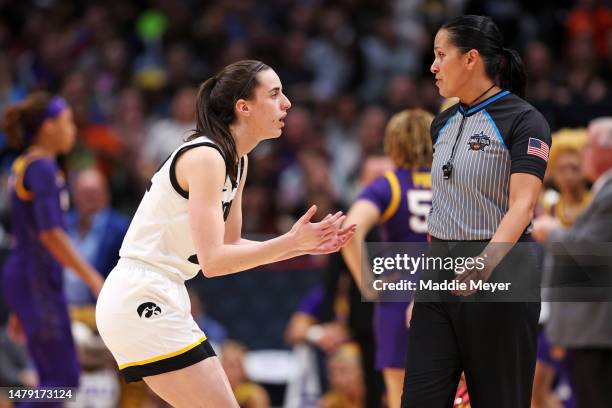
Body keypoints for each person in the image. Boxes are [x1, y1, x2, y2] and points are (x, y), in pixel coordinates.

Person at [95, 60, 356, 408]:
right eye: (275, 94)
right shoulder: (206, 156)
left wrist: (301, 246)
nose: (287, 103)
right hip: (141, 292)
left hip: (162, 292)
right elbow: (214, 262)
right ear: (243, 107)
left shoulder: (238, 161)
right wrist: (290, 243)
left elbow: (230, 248)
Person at [402, 15, 551, 407]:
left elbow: (524, 203)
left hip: (501, 271)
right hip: (438, 273)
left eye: (440, 55)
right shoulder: (443, 123)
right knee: (419, 398)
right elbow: (443, 206)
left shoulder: (524, 120)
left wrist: (485, 264)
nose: (432, 66)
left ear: (470, 59)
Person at [1, 93, 104, 401]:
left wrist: (22, 307)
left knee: (54, 379)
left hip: (31, 279)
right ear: (48, 127)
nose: (73, 129)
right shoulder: (41, 168)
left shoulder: (29, 165)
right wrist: (92, 277)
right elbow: (51, 235)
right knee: (63, 380)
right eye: (68, 122)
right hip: (36, 279)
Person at [341, 109, 434, 408]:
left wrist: (367, 285)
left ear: (393, 144)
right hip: (446, 290)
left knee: (398, 390)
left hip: (400, 292)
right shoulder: (452, 183)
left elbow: (349, 231)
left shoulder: (389, 185)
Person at [532, 117, 612, 408]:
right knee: (540, 389)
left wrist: (553, 233)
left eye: (576, 165)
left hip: (591, 319)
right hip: (557, 313)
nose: (569, 173)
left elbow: (588, 249)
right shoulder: (550, 204)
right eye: (563, 167)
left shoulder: (601, 196)